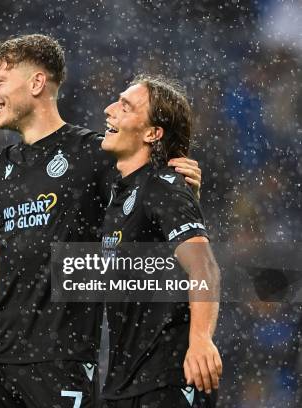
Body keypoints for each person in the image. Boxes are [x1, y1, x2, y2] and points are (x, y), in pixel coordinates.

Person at [0, 34, 202, 407]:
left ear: (36, 83)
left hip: (61, 360)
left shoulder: (94, 154)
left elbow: (156, 219)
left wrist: (185, 190)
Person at [99, 74, 222, 407]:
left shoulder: (163, 187)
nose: (109, 110)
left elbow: (204, 266)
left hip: (168, 379)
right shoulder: (117, 193)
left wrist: (199, 340)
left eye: (125, 107)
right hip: (123, 384)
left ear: (153, 133)